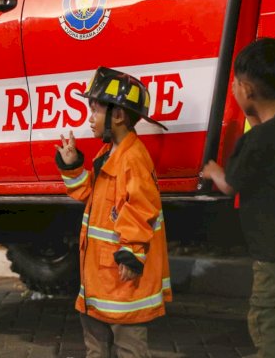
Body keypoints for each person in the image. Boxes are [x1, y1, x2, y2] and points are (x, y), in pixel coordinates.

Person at [201, 38, 275, 358]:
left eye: (236, 85)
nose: (235, 90)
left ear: (247, 89)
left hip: (274, 246)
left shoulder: (255, 143)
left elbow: (231, 185)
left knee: (263, 313)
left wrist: (213, 171)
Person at [55, 67, 171, 358]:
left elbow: (142, 208)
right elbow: (90, 196)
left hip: (121, 282)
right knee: (96, 347)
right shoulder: (109, 153)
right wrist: (72, 167)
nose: (90, 118)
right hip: (100, 281)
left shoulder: (133, 159)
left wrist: (131, 252)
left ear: (118, 116)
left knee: (128, 349)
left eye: (95, 111)